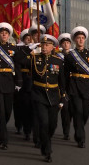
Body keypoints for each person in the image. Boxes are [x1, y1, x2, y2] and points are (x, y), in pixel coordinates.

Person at [30, 34, 66, 163]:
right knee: (44, 123)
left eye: (47, 45)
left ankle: (45, 140)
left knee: (53, 124)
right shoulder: (34, 58)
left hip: (53, 96)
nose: (44, 47)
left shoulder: (58, 61)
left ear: (52, 47)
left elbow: (62, 82)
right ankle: (47, 150)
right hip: (39, 95)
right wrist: (31, 50)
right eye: (42, 45)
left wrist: (63, 97)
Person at [0, 22, 22, 150]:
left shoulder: (14, 49)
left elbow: (17, 67)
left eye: (6, 33)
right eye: (2, 33)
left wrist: (19, 82)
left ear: (8, 35)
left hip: (9, 81)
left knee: (7, 111)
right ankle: (3, 139)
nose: (4, 35)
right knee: (1, 111)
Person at [64, 26, 89, 148]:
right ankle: (80, 138)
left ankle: (78, 128)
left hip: (86, 87)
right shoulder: (70, 56)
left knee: (86, 113)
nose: (80, 40)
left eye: (82, 38)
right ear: (74, 40)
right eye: (78, 38)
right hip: (74, 86)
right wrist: (65, 90)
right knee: (78, 112)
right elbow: (65, 74)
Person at [57, 33, 72, 140]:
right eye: (64, 43)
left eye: (68, 43)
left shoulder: (74, 56)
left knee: (73, 110)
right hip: (61, 85)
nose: (66, 45)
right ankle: (66, 131)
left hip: (73, 86)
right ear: (61, 45)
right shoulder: (57, 56)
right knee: (64, 110)